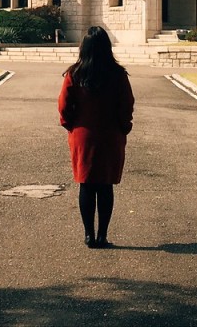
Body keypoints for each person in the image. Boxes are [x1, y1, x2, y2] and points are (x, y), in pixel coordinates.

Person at [58, 26, 134, 248]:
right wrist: (124, 126)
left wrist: (70, 124)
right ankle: (102, 234)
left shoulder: (74, 74)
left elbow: (64, 105)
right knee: (105, 185)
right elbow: (126, 104)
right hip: (111, 135)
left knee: (86, 184)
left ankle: (89, 235)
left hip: (83, 135)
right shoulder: (118, 74)